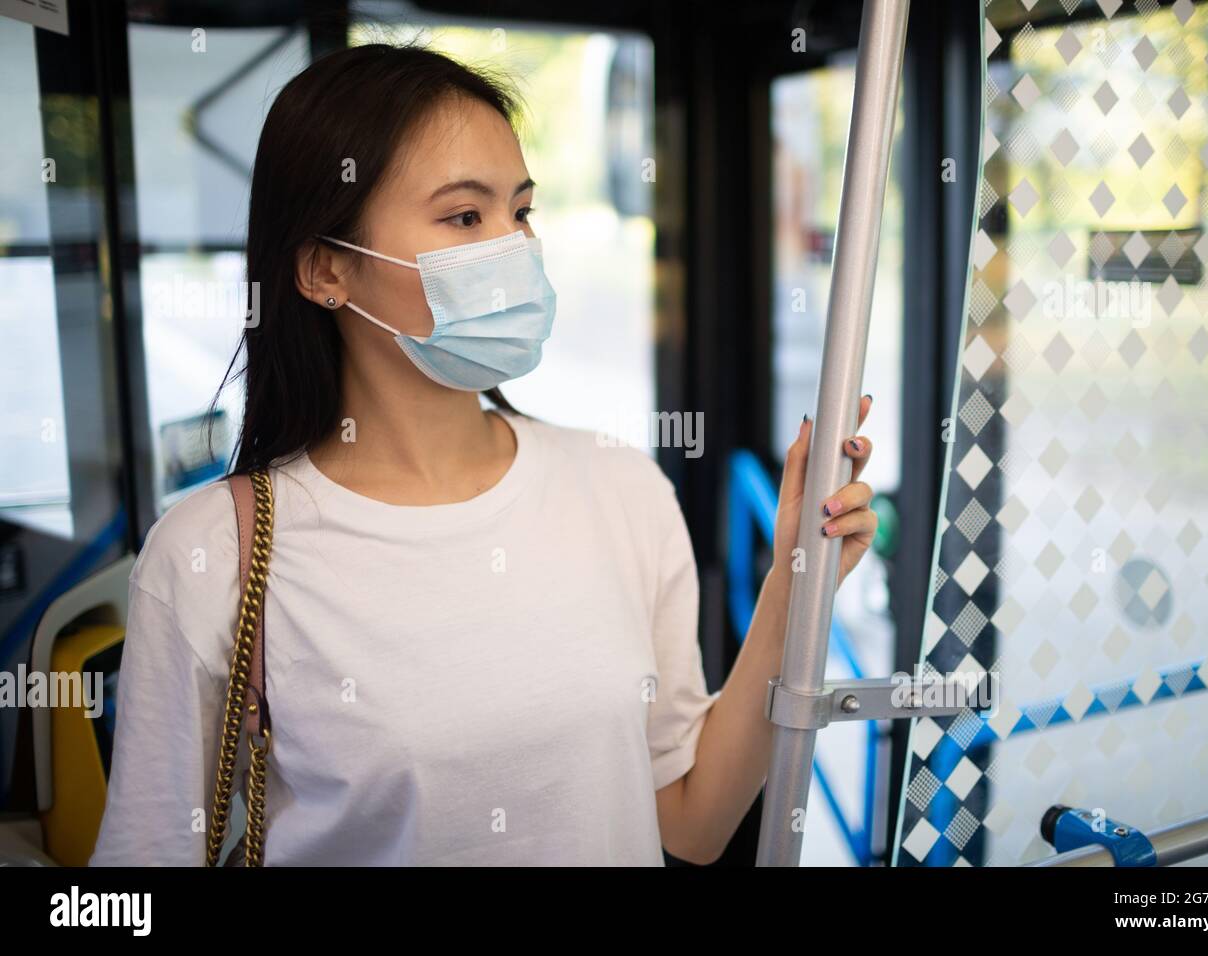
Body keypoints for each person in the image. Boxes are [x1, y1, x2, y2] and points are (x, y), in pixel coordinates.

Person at [88, 43, 877, 866]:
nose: (515, 249)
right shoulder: (212, 555)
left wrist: (793, 580)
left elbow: (692, 819)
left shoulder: (620, 487)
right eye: (466, 217)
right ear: (327, 268)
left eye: (522, 212)